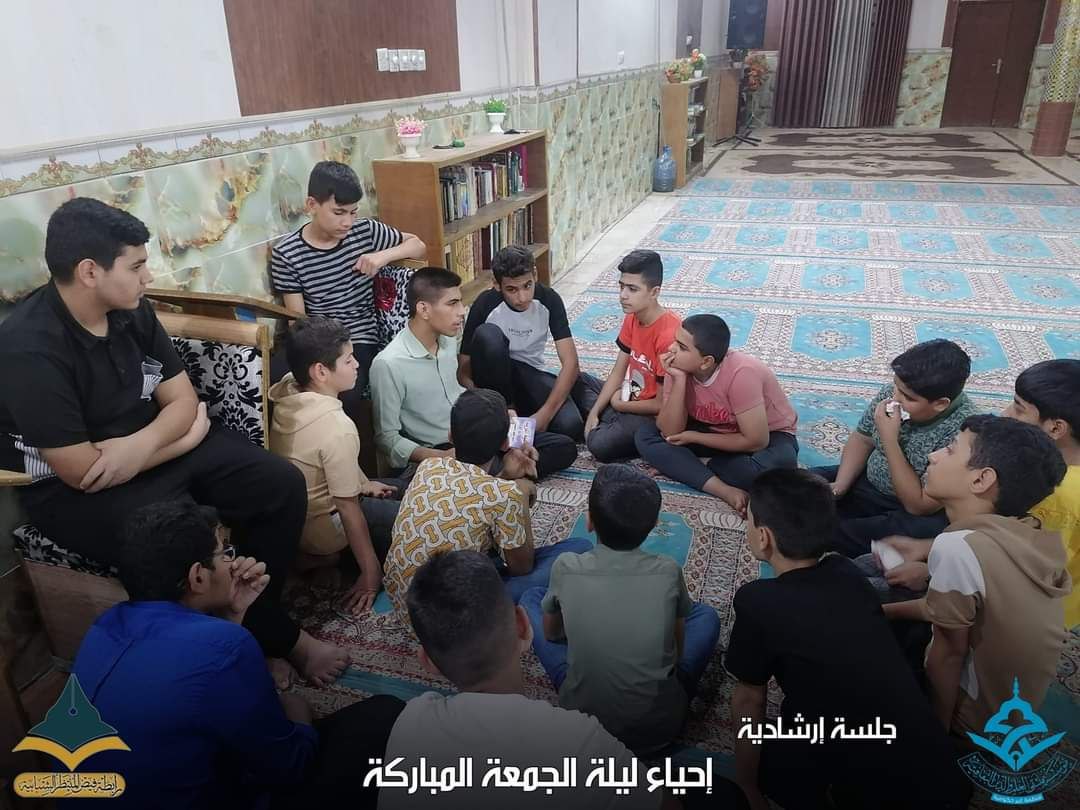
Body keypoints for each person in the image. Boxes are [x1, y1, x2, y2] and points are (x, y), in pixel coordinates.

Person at [0, 198, 345, 686]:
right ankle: (276, 642)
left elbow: (182, 400)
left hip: (145, 451)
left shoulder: (131, 311)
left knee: (278, 483)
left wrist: (148, 446)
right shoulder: (29, 347)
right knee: (179, 541)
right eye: (136, 266)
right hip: (75, 492)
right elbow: (82, 471)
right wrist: (183, 436)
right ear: (90, 271)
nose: (148, 277)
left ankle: (255, 623)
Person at [73, 501, 405, 810]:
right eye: (225, 553)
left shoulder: (102, 626)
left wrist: (233, 615)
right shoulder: (224, 648)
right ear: (198, 576)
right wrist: (299, 715)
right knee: (384, 717)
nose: (234, 563)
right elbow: (290, 766)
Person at [380, 549, 748, 809]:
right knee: (719, 793)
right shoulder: (577, 739)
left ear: (427, 662)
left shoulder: (410, 723)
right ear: (523, 626)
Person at [725, 469, 970, 810]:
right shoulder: (846, 572)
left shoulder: (757, 601)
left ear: (764, 537)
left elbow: (749, 699)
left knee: (771, 766)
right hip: (939, 775)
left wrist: (746, 785)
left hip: (864, 790)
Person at [883, 416, 1069, 737]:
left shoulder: (958, 547)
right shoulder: (1026, 530)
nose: (933, 456)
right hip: (1011, 713)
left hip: (971, 719)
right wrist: (882, 611)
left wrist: (936, 736)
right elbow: (960, 610)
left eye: (950, 450)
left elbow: (949, 655)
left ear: (981, 479)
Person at [520, 464, 720, 754]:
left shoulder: (566, 566)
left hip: (583, 722)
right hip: (660, 728)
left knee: (531, 598)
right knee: (705, 616)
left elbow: (551, 635)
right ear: (655, 525)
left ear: (589, 521)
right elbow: (675, 654)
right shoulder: (668, 571)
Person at [382, 388, 590, 620]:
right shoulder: (504, 495)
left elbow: (474, 496)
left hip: (406, 609)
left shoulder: (428, 467)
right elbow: (521, 567)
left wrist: (505, 478)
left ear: (450, 435)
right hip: (458, 622)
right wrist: (520, 489)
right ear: (505, 443)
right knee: (579, 548)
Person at [370, 267, 576, 479]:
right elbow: (387, 439)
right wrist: (442, 456)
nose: (461, 311)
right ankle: (499, 477)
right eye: (452, 303)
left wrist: (500, 417)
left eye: (460, 302)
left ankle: (496, 474)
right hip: (441, 450)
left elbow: (461, 390)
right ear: (424, 309)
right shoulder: (388, 364)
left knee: (563, 447)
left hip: (479, 433)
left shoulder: (448, 340)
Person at [269, 316, 402, 614]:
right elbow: (347, 507)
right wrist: (371, 574)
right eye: (348, 360)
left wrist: (363, 483)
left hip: (299, 520)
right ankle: (327, 558)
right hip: (326, 527)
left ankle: (317, 559)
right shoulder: (337, 427)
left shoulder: (288, 389)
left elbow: (323, 460)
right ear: (320, 371)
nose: (357, 365)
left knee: (403, 488)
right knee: (417, 520)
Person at [270, 160, 426, 402]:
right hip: (314, 337)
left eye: (353, 212)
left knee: (345, 392)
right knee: (271, 381)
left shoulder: (365, 232)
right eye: (338, 212)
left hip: (358, 338)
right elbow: (297, 322)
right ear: (312, 205)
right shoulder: (287, 253)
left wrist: (382, 256)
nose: (347, 222)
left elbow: (418, 245)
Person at [810, 339, 976, 557]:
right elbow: (863, 438)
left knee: (828, 532)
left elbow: (919, 505)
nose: (895, 398)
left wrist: (889, 440)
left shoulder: (964, 432)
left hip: (903, 508)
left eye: (908, 397)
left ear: (940, 404)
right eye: (896, 387)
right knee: (790, 486)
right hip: (866, 479)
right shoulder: (894, 392)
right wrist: (840, 486)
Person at [635, 315, 798, 515]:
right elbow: (670, 431)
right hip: (714, 430)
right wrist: (679, 380)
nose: (671, 349)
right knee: (645, 435)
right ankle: (723, 489)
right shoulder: (678, 367)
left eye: (682, 347)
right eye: (675, 341)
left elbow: (757, 441)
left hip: (770, 435)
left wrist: (695, 438)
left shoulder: (742, 373)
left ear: (706, 362)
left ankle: (696, 465)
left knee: (774, 471)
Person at [459, 244, 598, 441]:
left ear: (535, 275)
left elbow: (571, 363)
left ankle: (520, 419)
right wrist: (484, 401)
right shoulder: (485, 304)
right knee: (489, 335)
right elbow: (463, 370)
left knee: (570, 425)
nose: (522, 297)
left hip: (530, 374)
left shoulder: (549, 299)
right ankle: (507, 414)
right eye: (512, 289)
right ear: (497, 284)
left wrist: (544, 415)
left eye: (527, 285)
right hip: (493, 383)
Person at [584, 250, 681, 462]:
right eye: (621, 287)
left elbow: (661, 404)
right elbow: (618, 371)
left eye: (632, 289)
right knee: (577, 380)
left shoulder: (667, 336)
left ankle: (615, 425)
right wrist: (595, 411)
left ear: (654, 292)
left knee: (599, 445)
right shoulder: (633, 316)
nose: (623, 295)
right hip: (630, 395)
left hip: (650, 415)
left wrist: (619, 405)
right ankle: (608, 421)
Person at [1004, 359, 1080, 628]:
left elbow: (1023, 571)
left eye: (1018, 408)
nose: (1005, 413)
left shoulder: (1054, 495)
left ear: (1056, 428)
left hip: (1038, 618)